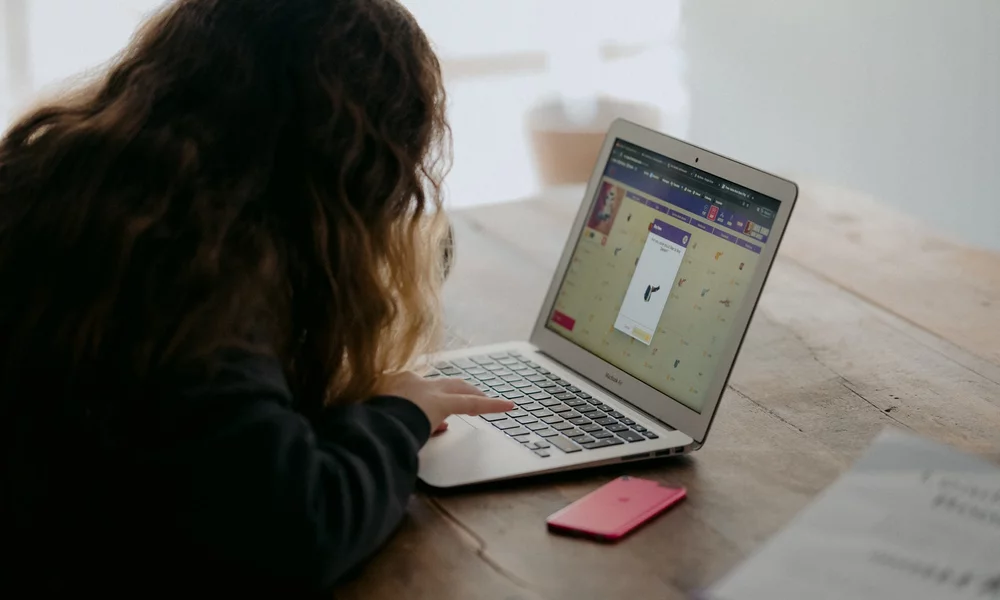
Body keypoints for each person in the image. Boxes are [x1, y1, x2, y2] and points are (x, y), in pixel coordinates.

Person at [0, 0, 514, 595]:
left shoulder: (78, 184)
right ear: (348, 166)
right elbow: (298, 531)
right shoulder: (194, 277)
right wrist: (402, 416)